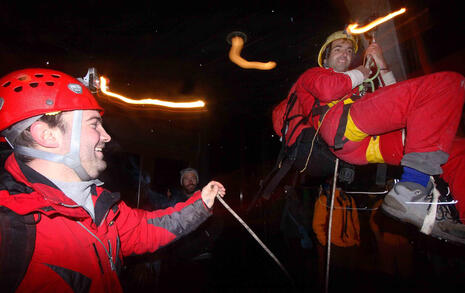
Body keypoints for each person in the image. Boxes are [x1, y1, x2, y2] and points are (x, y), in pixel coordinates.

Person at [0, 68, 226, 292]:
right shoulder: (9, 224)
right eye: (93, 124)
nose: (106, 136)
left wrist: (202, 203)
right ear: (47, 135)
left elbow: (147, 230)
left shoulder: (100, 205)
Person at [273, 30, 465, 244]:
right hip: (341, 126)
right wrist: (363, 70)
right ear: (325, 58)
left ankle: (462, 218)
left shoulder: (357, 87)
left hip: (364, 144)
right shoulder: (313, 75)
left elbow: (405, 102)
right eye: (338, 49)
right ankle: (412, 187)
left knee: (456, 149)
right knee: (446, 84)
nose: (345, 54)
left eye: (348, 50)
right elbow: (328, 90)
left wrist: (381, 64)